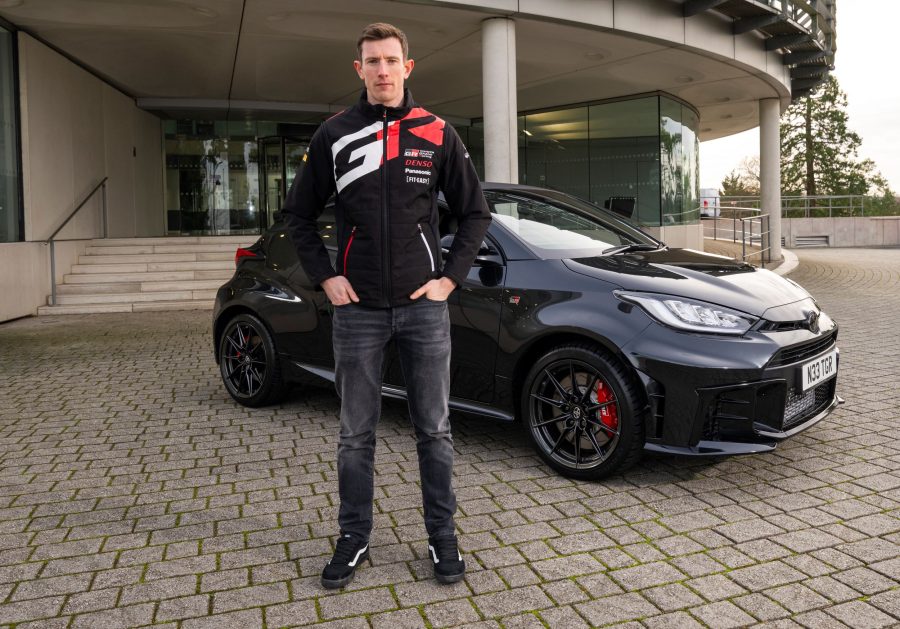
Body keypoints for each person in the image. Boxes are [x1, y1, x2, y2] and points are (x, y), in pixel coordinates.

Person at [282, 22, 491, 589]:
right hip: (358, 311)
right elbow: (298, 216)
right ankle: (354, 538)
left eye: (390, 60)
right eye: (371, 61)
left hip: (424, 308)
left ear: (407, 67)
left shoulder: (437, 132)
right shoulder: (335, 134)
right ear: (359, 70)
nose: (381, 70)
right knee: (355, 434)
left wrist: (449, 279)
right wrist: (326, 277)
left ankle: (442, 539)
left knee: (435, 430)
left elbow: (475, 215)